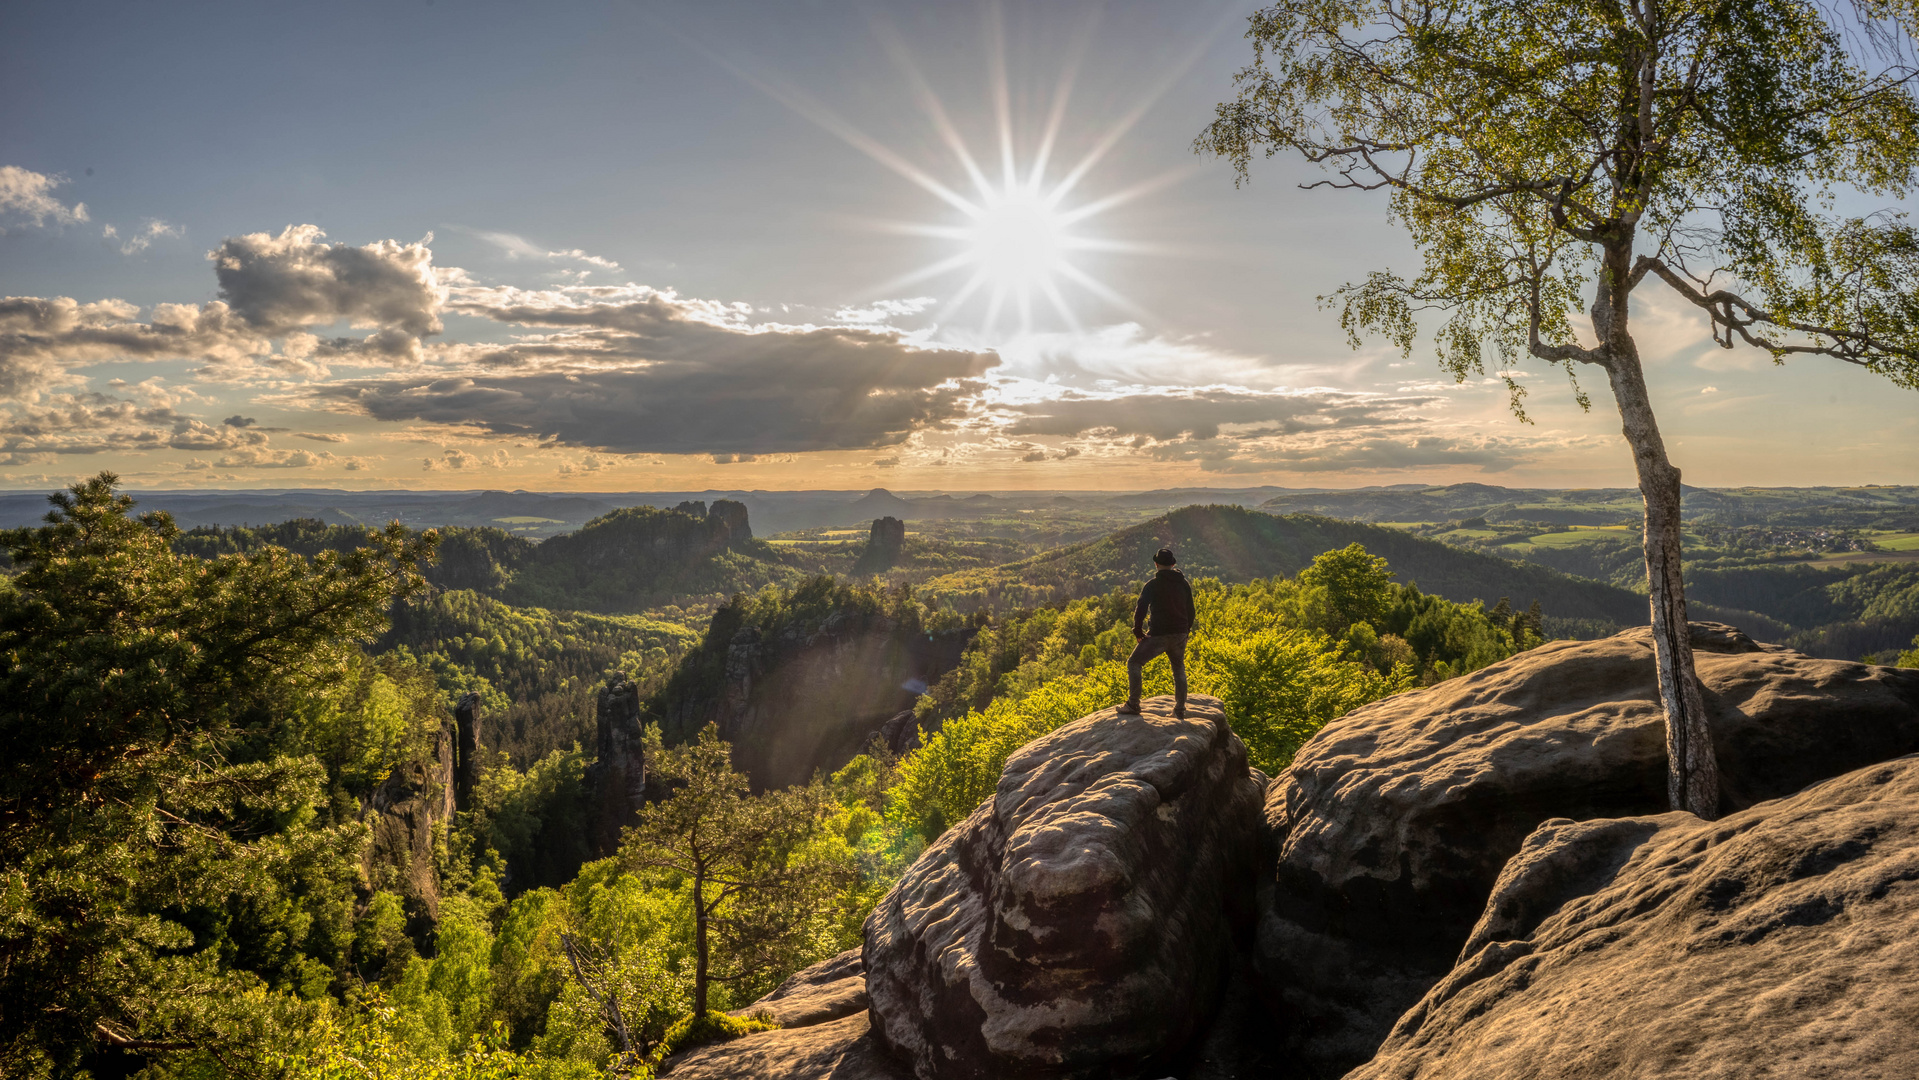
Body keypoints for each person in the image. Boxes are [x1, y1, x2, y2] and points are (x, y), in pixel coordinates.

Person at [1117, 547, 1195, 718]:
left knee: (1134, 663)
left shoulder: (1153, 585)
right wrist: (1186, 630)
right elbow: (1191, 610)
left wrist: (1138, 630)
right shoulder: (1183, 583)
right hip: (1180, 634)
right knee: (1179, 669)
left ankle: (1133, 704)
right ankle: (1180, 710)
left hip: (1159, 634)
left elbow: (1141, 608)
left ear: (1156, 564)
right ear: (1173, 564)